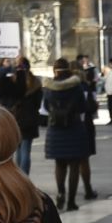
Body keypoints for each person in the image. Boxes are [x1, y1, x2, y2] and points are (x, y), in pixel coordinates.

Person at [42, 58, 94, 210]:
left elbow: (46, 107)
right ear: (68, 70)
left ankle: (60, 193)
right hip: (74, 128)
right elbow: (83, 107)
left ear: (54, 70)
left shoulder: (49, 87)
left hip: (55, 130)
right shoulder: (76, 87)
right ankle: (71, 201)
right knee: (74, 165)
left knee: (60, 164)